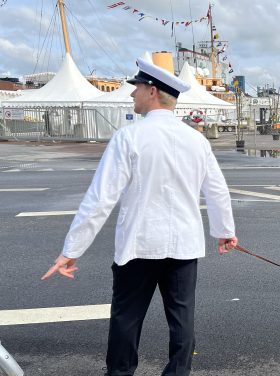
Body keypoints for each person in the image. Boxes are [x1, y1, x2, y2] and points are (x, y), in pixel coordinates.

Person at [41, 57, 238, 376]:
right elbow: (216, 191)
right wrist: (224, 231)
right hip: (183, 248)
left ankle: (120, 373)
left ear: (152, 91)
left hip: (138, 246)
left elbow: (100, 198)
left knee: (126, 319)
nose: (132, 93)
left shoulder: (128, 137)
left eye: (137, 87)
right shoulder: (196, 140)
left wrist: (71, 250)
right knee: (182, 319)